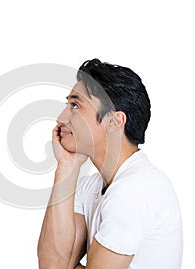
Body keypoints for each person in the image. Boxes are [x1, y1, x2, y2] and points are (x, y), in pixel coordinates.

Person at [37, 58, 183, 269]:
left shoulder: (136, 188)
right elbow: (51, 265)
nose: (61, 118)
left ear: (114, 121)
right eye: (67, 104)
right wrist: (66, 166)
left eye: (76, 105)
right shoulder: (90, 187)